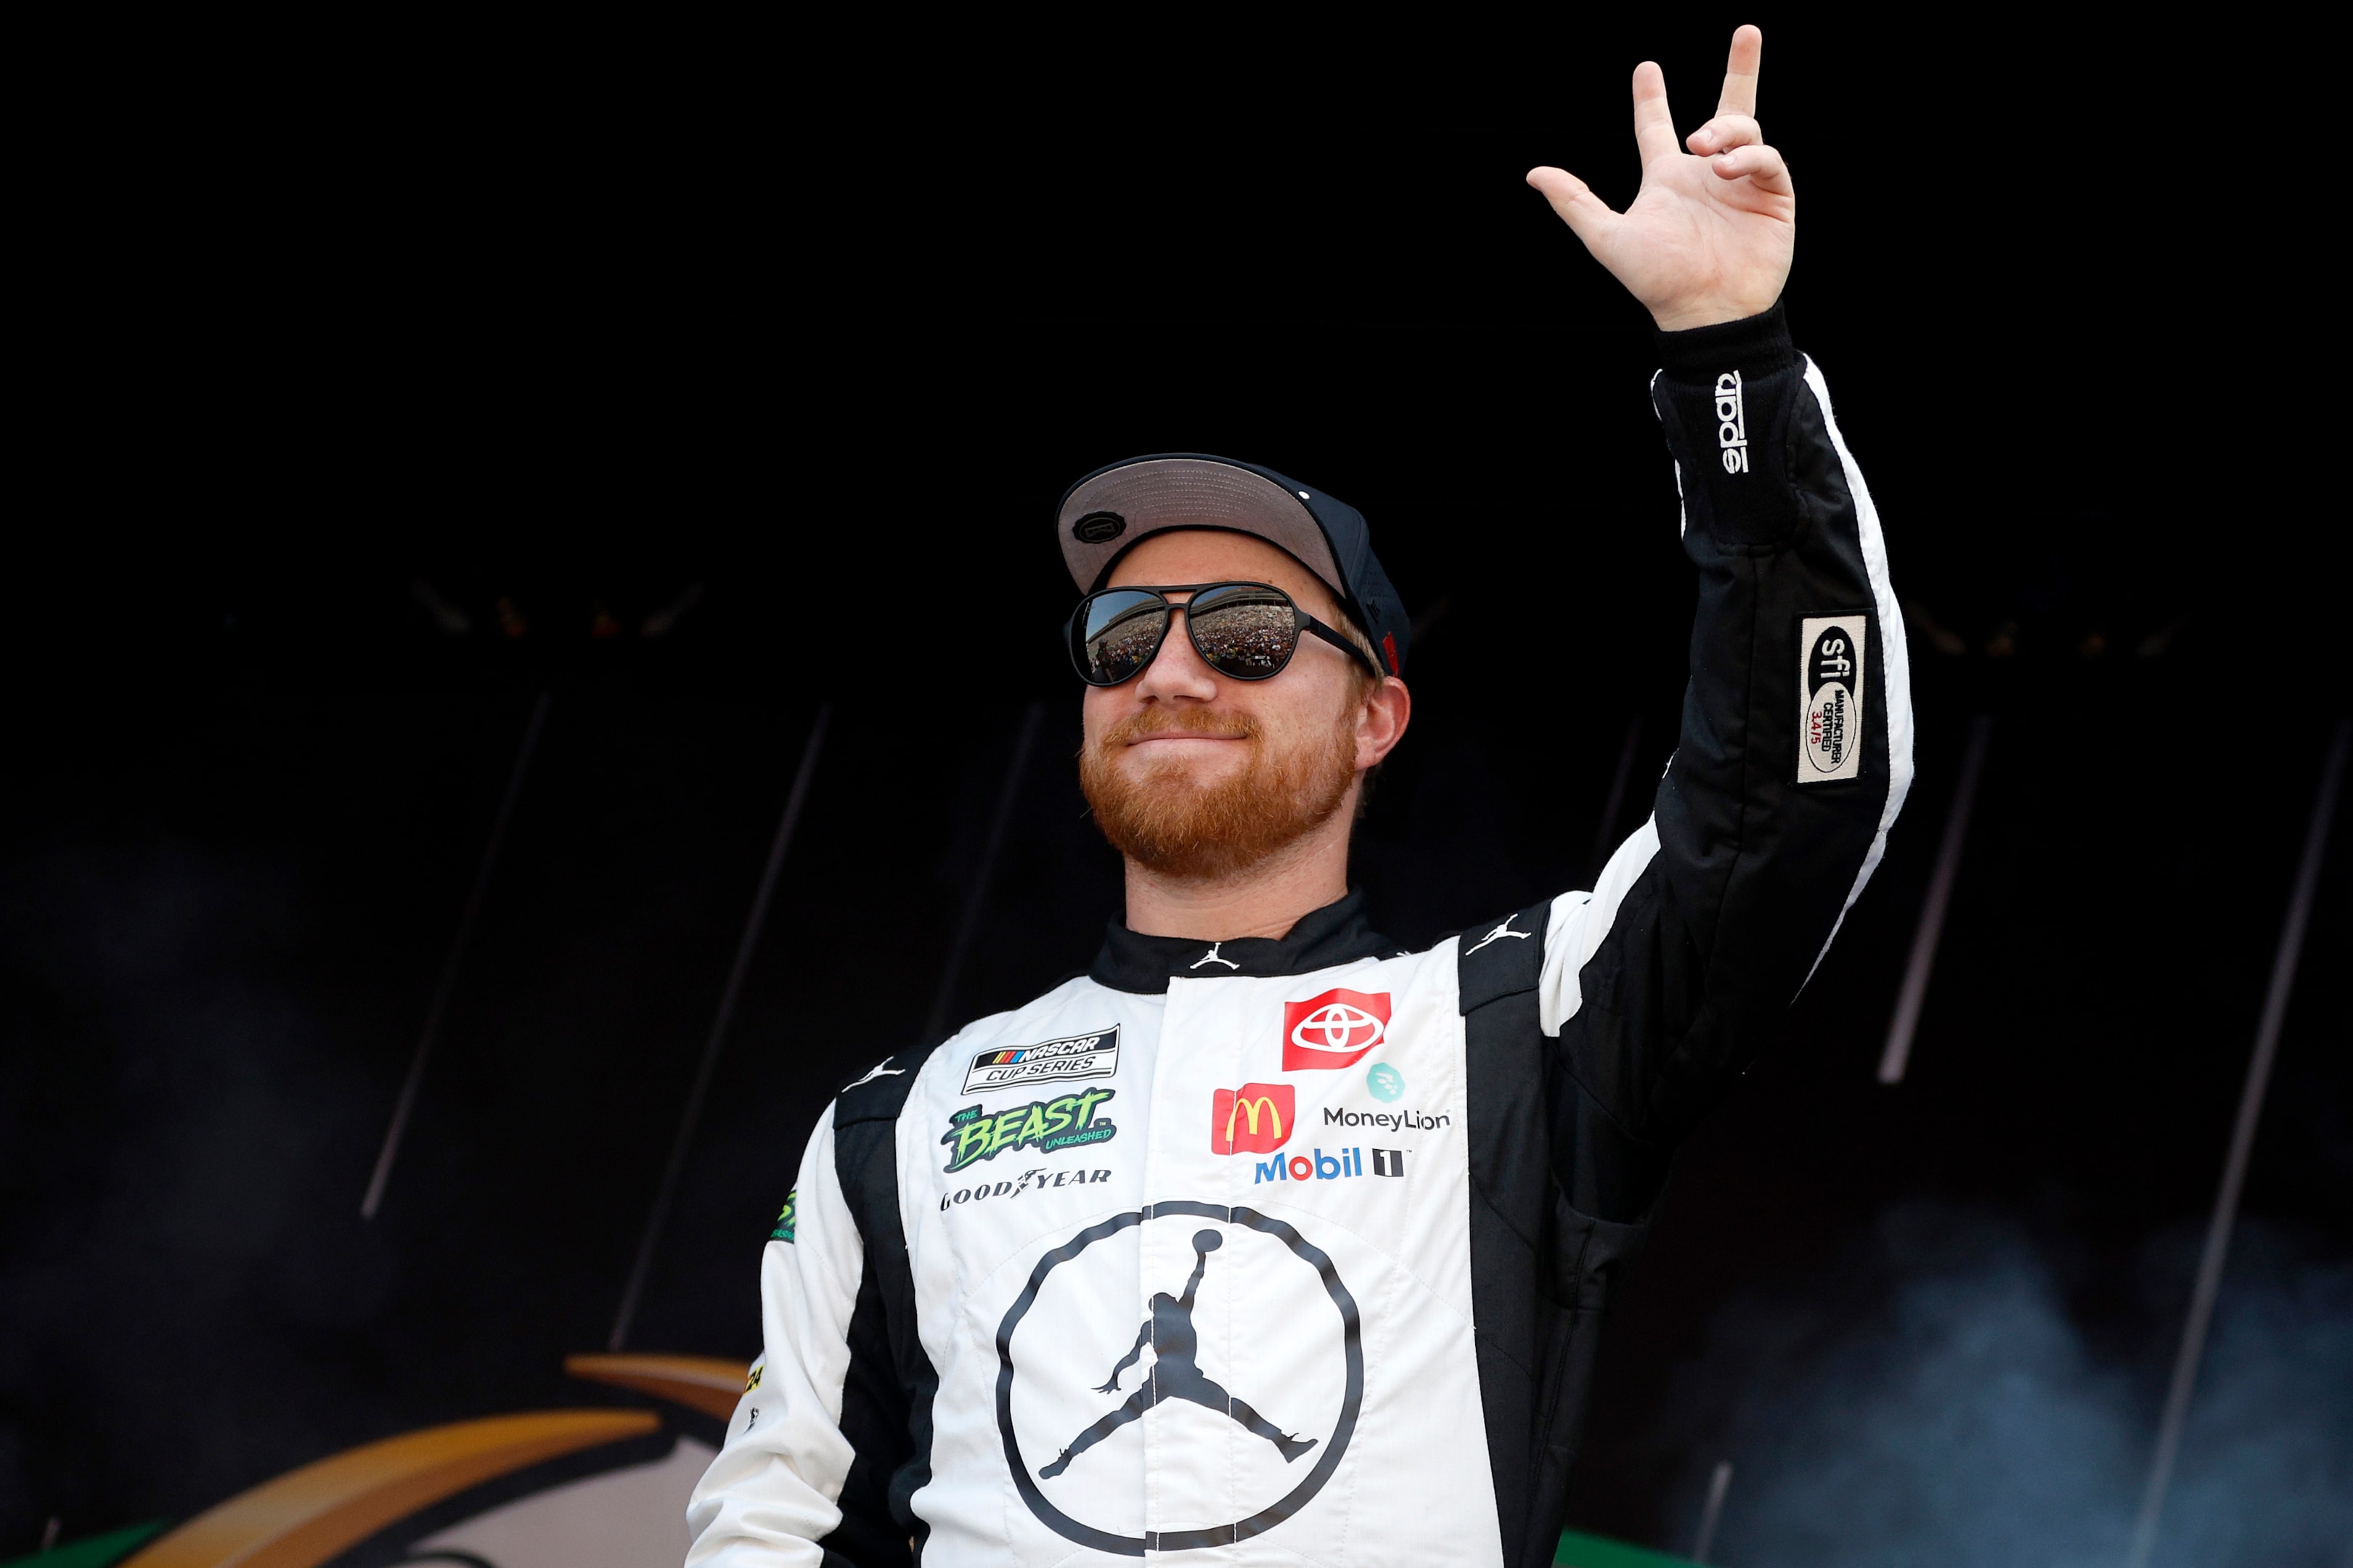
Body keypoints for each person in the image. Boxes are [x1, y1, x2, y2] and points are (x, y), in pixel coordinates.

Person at [688, 25, 1912, 1567]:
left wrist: (1728, 361)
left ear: (1376, 715)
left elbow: (1796, 789)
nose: (1175, 670)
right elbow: (769, 1517)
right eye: (1123, 634)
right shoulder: (902, 1117)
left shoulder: (1514, 1031)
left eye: (1250, 633)